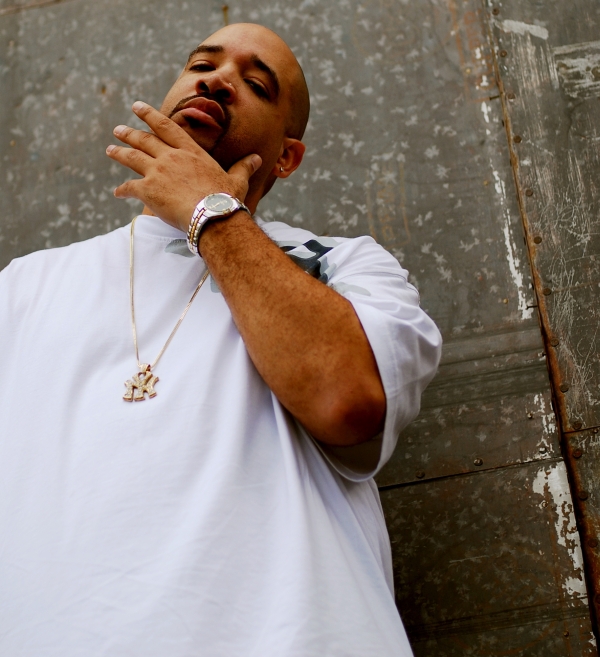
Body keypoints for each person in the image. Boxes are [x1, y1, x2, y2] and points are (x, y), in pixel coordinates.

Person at [0, 22, 441, 657]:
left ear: (287, 156)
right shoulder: (25, 286)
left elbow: (345, 398)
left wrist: (208, 210)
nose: (218, 80)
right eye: (202, 64)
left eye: (257, 84)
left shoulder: (344, 265)